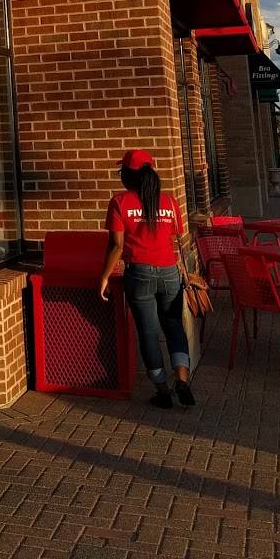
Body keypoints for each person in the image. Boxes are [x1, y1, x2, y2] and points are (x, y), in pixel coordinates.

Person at [98, 148, 195, 408]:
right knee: (173, 326)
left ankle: (162, 391)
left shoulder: (120, 202)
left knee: (149, 333)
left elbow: (116, 246)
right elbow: (177, 237)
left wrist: (104, 277)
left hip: (139, 273)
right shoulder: (169, 202)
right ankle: (182, 380)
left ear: (127, 175)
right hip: (170, 271)